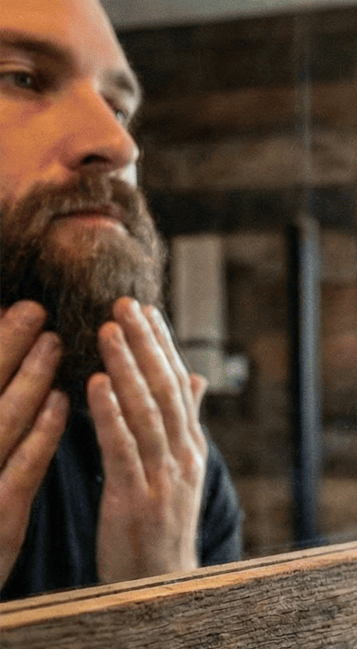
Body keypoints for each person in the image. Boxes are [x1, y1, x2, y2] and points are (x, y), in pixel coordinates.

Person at [0, 0, 241, 600]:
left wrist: (161, 586)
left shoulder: (165, 465)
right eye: (21, 78)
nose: (120, 144)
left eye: (118, 108)